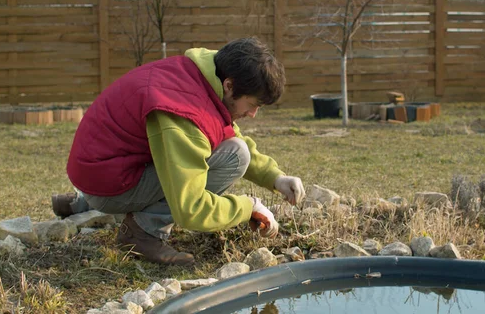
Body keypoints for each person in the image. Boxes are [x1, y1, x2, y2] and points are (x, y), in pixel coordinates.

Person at [51, 37, 305, 265]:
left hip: (101, 170)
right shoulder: (184, 113)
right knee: (235, 156)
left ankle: (80, 202)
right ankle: (143, 233)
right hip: (108, 186)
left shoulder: (196, 75)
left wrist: (275, 177)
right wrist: (247, 207)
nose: (252, 114)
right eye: (252, 104)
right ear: (229, 85)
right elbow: (191, 209)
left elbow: (226, 132)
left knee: (234, 147)